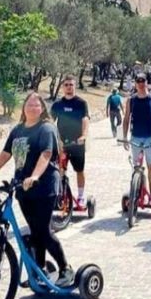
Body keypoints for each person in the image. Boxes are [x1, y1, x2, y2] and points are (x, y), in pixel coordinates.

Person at [0, 92, 74, 286]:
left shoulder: (46, 129)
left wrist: (35, 176)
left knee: (43, 230)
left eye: (37, 105)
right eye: (29, 104)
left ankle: (64, 267)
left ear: (42, 109)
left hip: (44, 187)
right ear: (23, 108)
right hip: (22, 188)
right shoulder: (18, 130)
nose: (32, 108)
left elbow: (46, 154)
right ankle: (40, 269)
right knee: (34, 231)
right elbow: (5, 154)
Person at [122, 73, 151, 200]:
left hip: (150, 137)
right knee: (136, 167)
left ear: (147, 82)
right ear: (135, 83)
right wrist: (125, 137)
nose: (141, 83)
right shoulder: (131, 100)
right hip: (135, 137)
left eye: (143, 81)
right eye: (138, 81)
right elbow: (126, 119)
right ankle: (138, 190)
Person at [51, 76, 90, 204]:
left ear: (75, 86)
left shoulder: (81, 103)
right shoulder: (57, 105)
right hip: (62, 144)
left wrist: (83, 136)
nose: (69, 87)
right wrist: (56, 139)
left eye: (71, 85)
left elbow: (85, 120)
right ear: (63, 87)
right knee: (60, 170)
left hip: (77, 143)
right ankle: (61, 195)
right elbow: (51, 122)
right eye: (66, 85)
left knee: (79, 170)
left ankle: (81, 196)